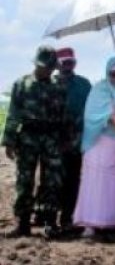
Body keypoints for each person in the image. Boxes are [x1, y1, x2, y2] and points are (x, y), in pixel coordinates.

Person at [2, 46, 67, 239]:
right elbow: (14, 113)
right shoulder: (22, 84)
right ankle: (22, 224)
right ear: (37, 64)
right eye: (46, 67)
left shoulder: (58, 87)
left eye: (51, 68)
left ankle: (50, 223)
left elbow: (63, 115)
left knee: (52, 182)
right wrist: (9, 141)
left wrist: (64, 140)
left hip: (51, 138)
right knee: (25, 180)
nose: (48, 71)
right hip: (28, 138)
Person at [73, 56, 115, 237]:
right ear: (107, 73)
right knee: (96, 181)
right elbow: (90, 115)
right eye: (113, 74)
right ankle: (90, 223)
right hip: (99, 142)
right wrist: (108, 116)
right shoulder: (98, 89)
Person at [53, 47, 92, 233]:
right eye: (64, 62)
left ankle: (68, 218)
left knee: (73, 181)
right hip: (53, 143)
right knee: (52, 182)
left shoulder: (84, 85)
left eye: (71, 62)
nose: (68, 66)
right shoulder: (48, 84)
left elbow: (91, 111)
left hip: (76, 141)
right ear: (56, 64)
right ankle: (49, 221)